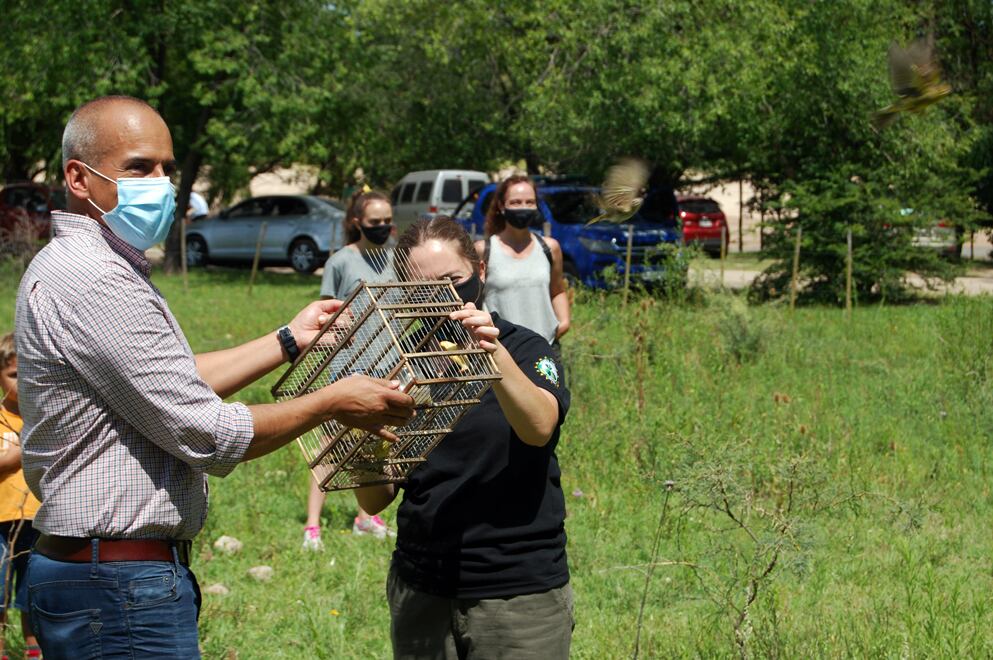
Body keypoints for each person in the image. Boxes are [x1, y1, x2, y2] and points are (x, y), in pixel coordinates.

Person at [15, 95, 415, 659]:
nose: (161, 183)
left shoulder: (91, 266)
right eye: (138, 167)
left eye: (166, 169)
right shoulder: (93, 278)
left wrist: (288, 339)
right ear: (79, 178)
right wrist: (331, 403)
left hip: (107, 578)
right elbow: (205, 432)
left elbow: (167, 382)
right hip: (116, 588)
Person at [356, 217, 573, 659]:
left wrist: (491, 354)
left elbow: (538, 428)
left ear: (480, 272)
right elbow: (374, 500)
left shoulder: (527, 349)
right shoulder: (401, 364)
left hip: (516, 590)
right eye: (424, 291)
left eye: (453, 280)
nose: (443, 298)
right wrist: (364, 442)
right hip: (422, 587)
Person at [305, 190, 396, 548]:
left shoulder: (397, 258)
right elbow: (326, 316)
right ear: (357, 223)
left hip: (388, 364)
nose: (384, 228)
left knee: (377, 444)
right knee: (331, 445)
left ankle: (366, 517)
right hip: (347, 365)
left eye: (388, 221)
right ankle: (312, 526)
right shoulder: (341, 261)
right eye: (376, 223)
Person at [475, 175, 570, 349]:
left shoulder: (549, 247)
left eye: (530, 202)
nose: (524, 207)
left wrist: (563, 323)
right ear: (502, 206)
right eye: (516, 202)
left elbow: (557, 291)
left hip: (546, 348)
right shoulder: (483, 250)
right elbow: (473, 298)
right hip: (502, 351)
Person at [0, 334, 42, 660]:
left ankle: (34, 651)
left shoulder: (46, 417)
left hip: (38, 518)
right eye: (14, 375)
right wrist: (19, 452)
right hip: (1, 521)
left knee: (33, 592)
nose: (21, 383)